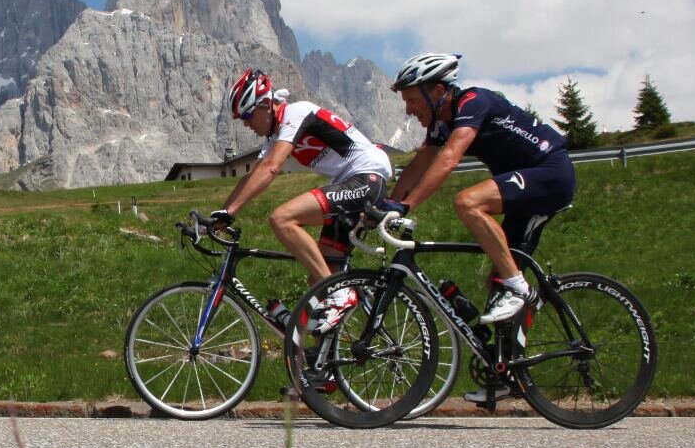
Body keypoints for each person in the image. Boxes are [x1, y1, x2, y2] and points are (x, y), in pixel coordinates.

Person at [384, 53, 576, 325]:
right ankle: (509, 349)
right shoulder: (441, 124)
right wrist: (389, 207)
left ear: (438, 91)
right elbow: (418, 166)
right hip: (524, 187)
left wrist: (407, 205)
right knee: (497, 283)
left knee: (468, 202)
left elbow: (449, 159)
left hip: (551, 173)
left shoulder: (474, 101)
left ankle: (520, 289)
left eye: (413, 100)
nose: (408, 110)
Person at [211, 68, 393, 332]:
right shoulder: (275, 136)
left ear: (266, 104)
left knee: (282, 219)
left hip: (366, 179)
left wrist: (232, 212)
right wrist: (220, 215)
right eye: (241, 120)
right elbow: (251, 177)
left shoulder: (297, 113)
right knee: (317, 287)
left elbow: (271, 168)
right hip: (349, 185)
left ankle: (340, 293)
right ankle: (314, 356)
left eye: (247, 115)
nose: (246, 124)